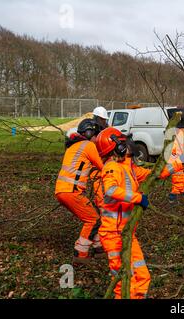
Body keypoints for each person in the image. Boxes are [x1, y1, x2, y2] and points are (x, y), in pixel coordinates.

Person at [95, 127, 151, 299]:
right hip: (113, 234)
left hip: (126, 233)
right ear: (117, 146)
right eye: (123, 142)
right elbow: (111, 190)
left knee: (142, 276)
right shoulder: (111, 167)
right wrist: (137, 198)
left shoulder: (128, 167)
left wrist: (176, 164)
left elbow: (153, 174)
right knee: (123, 281)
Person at [54, 119, 105, 264]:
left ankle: (99, 248)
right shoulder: (88, 145)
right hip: (71, 191)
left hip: (63, 191)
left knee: (94, 216)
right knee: (93, 219)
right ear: (90, 133)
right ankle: (80, 254)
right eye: (96, 135)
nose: (97, 139)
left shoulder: (73, 146)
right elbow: (102, 166)